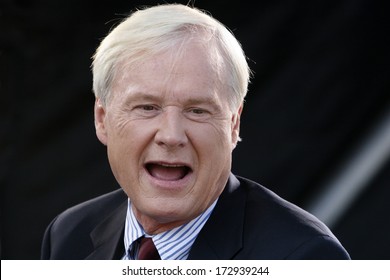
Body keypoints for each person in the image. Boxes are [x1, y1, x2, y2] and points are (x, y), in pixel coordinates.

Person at [41, 3, 350, 260]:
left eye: (197, 110)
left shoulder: (304, 257)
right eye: (147, 107)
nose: (172, 135)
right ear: (102, 119)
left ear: (233, 125)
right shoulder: (68, 236)